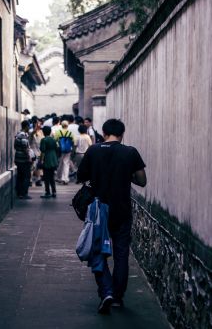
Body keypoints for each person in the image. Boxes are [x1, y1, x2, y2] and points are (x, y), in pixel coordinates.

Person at [77, 118, 147, 314]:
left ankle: (106, 290)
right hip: (121, 210)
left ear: (104, 133)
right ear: (122, 134)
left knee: (97, 251)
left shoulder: (94, 150)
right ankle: (117, 297)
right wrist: (127, 175)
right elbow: (142, 181)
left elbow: (81, 176)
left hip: (98, 210)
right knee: (121, 254)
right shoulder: (130, 152)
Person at [14, 120, 34, 199]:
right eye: (29, 126)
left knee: (20, 176)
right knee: (26, 176)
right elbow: (25, 147)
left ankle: (19, 193)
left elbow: (15, 146)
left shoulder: (18, 134)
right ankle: (24, 193)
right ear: (26, 126)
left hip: (18, 158)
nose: (29, 128)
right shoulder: (23, 135)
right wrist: (29, 157)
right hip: (23, 159)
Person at [39, 126, 58, 198]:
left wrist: (41, 161)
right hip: (53, 159)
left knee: (46, 177)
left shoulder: (44, 140)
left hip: (47, 160)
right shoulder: (53, 139)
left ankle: (47, 192)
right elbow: (56, 149)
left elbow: (43, 151)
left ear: (43, 132)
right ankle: (54, 192)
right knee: (52, 177)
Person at [54, 120, 74, 185]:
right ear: (67, 125)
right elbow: (74, 141)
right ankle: (65, 178)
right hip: (68, 150)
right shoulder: (70, 133)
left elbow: (55, 140)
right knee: (66, 163)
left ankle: (59, 177)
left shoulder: (58, 132)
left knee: (60, 163)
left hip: (60, 150)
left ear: (61, 125)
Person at [29, 118, 44, 187]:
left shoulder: (41, 132)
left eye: (40, 123)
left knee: (38, 167)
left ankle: (38, 180)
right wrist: (36, 127)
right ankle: (30, 180)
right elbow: (32, 134)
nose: (39, 125)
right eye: (38, 123)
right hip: (33, 152)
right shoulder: (31, 131)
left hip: (39, 152)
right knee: (32, 167)